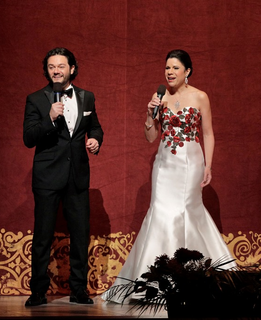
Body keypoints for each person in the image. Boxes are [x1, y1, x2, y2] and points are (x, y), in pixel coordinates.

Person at [102, 49, 236, 303]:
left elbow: (207, 133)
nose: (170, 72)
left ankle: (197, 278)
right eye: (167, 68)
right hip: (164, 164)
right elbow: (151, 137)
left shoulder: (200, 97)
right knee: (160, 212)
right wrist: (148, 115)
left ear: (187, 71)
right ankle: (157, 280)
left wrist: (209, 165)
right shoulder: (158, 98)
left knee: (186, 210)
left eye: (175, 68)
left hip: (191, 162)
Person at [23, 47, 104, 306]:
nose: (56, 70)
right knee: (43, 236)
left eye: (61, 66)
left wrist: (95, 141)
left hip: (77, 176)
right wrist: (49, 118)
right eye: (51, 67)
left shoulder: (87, 97)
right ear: (46, 71)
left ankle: (79, 290)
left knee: (80, 234)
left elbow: (95, 127)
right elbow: (28, 138)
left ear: (72, 68)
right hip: (47, 177)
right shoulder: (36, 99)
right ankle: (38, 291)